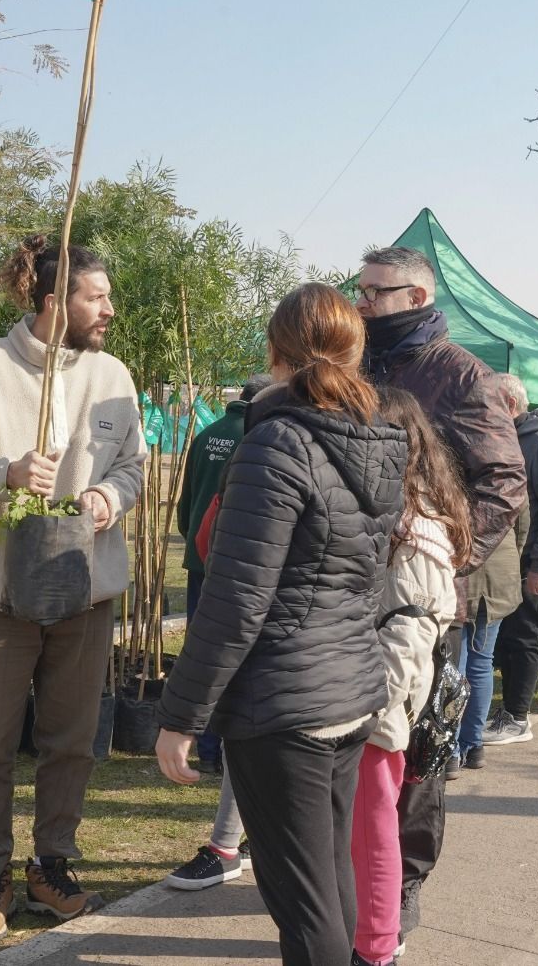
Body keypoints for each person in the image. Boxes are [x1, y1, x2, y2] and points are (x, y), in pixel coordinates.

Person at [154, 283, 407, 966]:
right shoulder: (380, 441)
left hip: (287, 704)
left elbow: (236, 599)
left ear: (275, 352)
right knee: (328, 878)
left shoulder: (277, 445)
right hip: (347, 689)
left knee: (304, 901)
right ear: (354, 352)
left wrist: (181, 714)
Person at [0, 236, 146, 943]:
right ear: (54, 303)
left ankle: (54, 865)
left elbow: (135, 465)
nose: (109, 308)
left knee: (71, 742)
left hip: (86, 593)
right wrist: (6, 474)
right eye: (95, 297)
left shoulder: (113, 377)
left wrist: (110, 497)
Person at [355, 246, 527, 942]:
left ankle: (404, 877)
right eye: (359, 289)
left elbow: (504, 481)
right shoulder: (357, 365)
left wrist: (446, 555)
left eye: (375, 292)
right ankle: (363, 866)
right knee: (359, 739)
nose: (362, 302)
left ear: (417, 298)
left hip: (423, 596)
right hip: (352, 585)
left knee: (419, 744)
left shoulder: (460, 376)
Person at [352, 387, 469, 966]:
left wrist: (374, 716)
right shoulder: (390, 514)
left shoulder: (416, 529)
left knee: (379, 840)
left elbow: (409, 642)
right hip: (371, 707)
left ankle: (377, 950)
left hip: (381, 716)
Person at [163, 372, 275, 893]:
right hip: (273, 603)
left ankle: (209, 753)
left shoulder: (209, 437)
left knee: (211, 662)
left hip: (212, 570)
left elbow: (191, 512)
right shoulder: (273, 446)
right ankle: (235, 838)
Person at [174, 374, 275, 777]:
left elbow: (185, 506)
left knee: (201, 654)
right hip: (234, 568)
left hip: (199, 562)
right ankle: (222, 751)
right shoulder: (258, 438)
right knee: (234, 658)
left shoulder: (206, 433)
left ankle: (204, 745)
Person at [484, 376, 538, 746]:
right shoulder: (512, 438)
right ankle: (507, 711)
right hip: (506, 559)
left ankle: (518, 716)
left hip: (530, 559)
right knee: (506, 641)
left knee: (526, 635)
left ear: (511, 405)